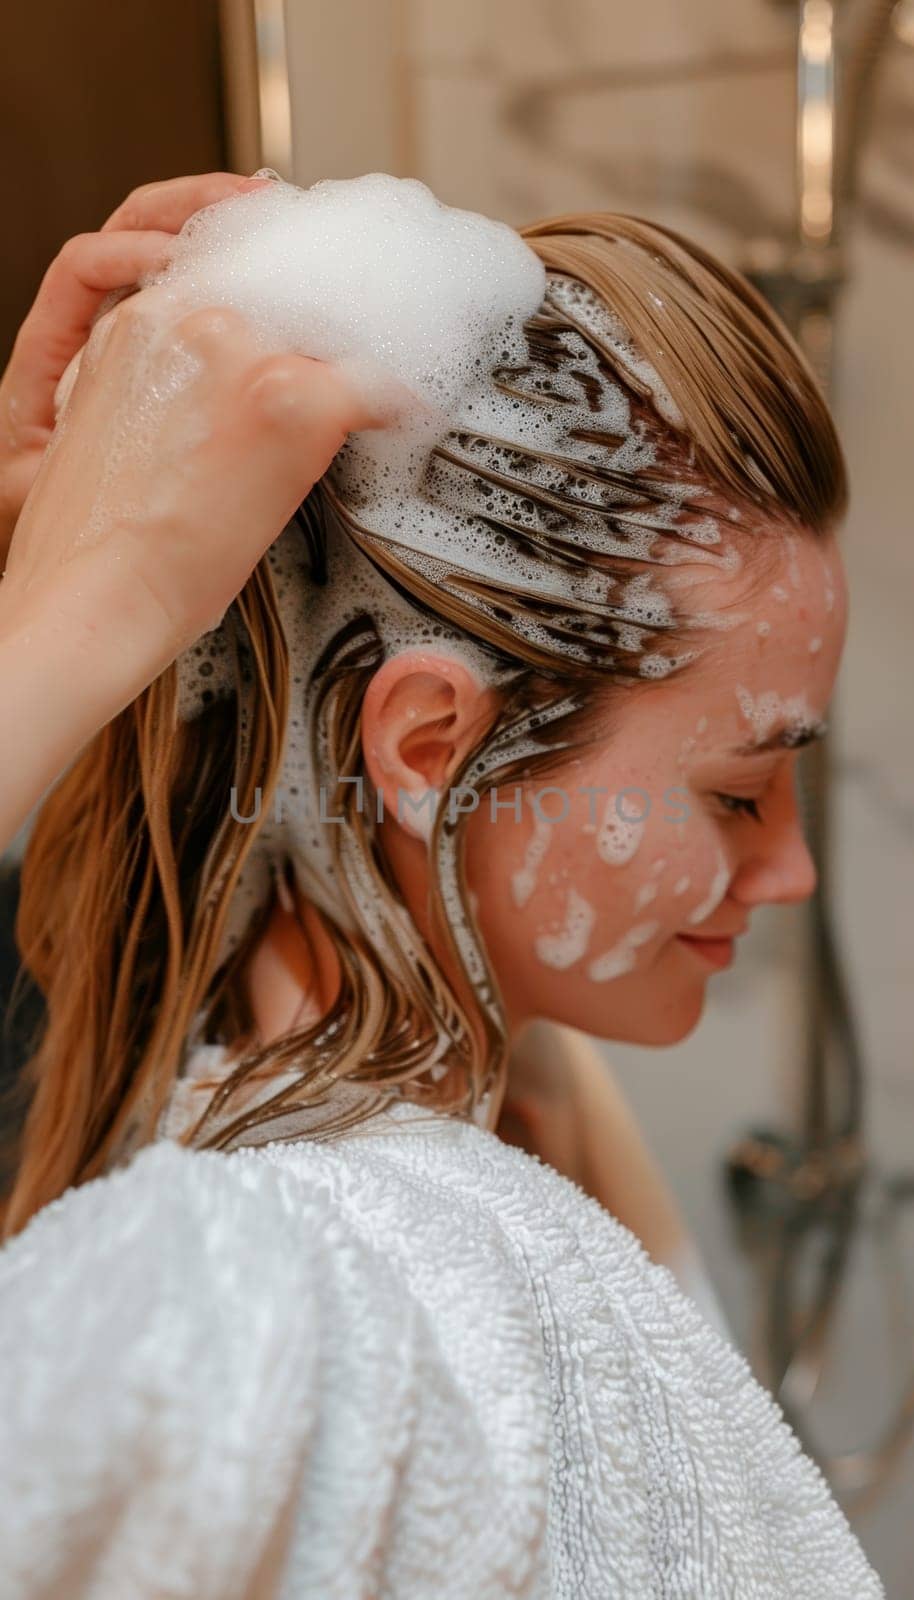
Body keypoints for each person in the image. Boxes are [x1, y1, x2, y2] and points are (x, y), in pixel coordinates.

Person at [0, 172, 883, 1596]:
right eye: (735, 793)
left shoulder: (506, 1125)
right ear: (424, 747)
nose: (785, 871)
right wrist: (66, 616)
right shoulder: (274, 1293)